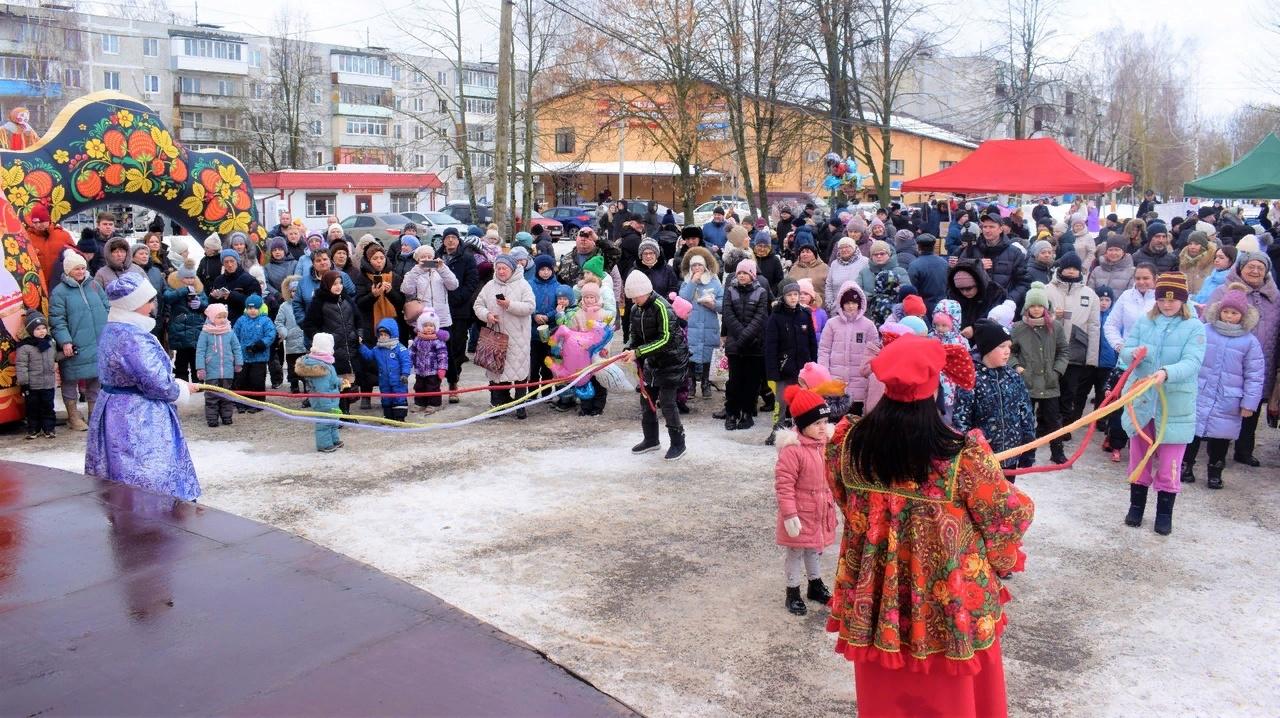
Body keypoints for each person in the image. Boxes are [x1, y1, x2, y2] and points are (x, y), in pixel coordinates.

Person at [828, 332, 1030, 717]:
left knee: (886, 698)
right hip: (948, 602)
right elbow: (1006, 516)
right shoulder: (963, 456)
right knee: (952, 700)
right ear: (935, 389)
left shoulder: (847, 445)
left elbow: (847, 503)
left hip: (876, 598)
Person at [86, 273, 200, 501]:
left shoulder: (114, 329)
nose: (153, 305)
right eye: (148, 301)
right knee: (144, 467)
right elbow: (155, 381)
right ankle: (151, 514)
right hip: (137, 414)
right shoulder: (133, 337)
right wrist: (179, 389)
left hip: (115, 408)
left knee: (120, 464)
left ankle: (128, 508)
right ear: (134, 305)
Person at [1120, 272, 1205, 536]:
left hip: (1174, 405)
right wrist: (1131, 353)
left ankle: (1164, 512)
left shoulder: (1194, 328)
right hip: (1143, 401)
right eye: (1162, 299)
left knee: (1169, 462)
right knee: (1139, 457)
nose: (1167, 305)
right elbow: (1126, 348)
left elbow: (1193, 362)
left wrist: (1167, 372)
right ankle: (1136, 506)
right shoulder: (1146, 321)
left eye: (1173, 300)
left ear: (1183, 299)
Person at [1184, 285, 1264, 489]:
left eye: (1234, 313)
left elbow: (1254, 374)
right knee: (1190, 431)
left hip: (1228, 398)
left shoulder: (1249, 341)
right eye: (1226, 311)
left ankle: (1215, 471)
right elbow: (1190, 357)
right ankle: (1185, 466)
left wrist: (1249, 403)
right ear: (1219, 311)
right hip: (1199, 391)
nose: (1229, 316)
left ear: (1243, 316)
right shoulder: (1204, 331)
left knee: (1221, 437)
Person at [1205, 250, 1278, 467]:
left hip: (1263, 358)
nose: (1255, 271)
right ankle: (1216, 448)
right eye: (1250, 266)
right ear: (1240, 268)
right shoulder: (1223, 291)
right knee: (1224, 401)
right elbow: (1208, 319)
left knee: (1252, 401)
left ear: (1266, 272)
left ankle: (1244, 449)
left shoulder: (1275, 297)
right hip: (1227, 358)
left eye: (1260, 268)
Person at [773, 385, 836, 616]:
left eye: (825, 422)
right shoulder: (793, 451)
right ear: (802, 425)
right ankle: (792, 591)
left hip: (820, 511)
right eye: (817, 423)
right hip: (799, 514)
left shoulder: (825, 446)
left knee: (814, 550)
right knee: (796, 552)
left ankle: (815, 584)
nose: (823, 427)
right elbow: (784, 485)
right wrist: (789, 514)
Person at [954, 319, 1037, 474]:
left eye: (1009, 347)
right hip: (981, 459)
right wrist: (963, 452)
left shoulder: (1013, 377)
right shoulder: (971, 379)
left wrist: (1028, 447)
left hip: (1010, 456)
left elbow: (1026, 414)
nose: (1007, 351)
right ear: (987, 348)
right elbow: (961, 420)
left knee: (1007, 497)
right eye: (1002, 346)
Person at [621, 271, 689, 460]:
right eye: (631, 297)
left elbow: (666, 339)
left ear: (646, 291)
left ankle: (678, 443)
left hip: (671, 362)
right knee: (646, 401)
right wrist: (629, 349)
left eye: (636, 296)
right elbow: (634, 335)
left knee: (667, 403)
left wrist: (639, 352)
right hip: (651, 362)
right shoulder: (636, 309)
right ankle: (651, 439)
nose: (634, 301)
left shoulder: (662, 307)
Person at [1010, 283, 1069, 466]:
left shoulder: (1056, 327)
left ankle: (1057, 453)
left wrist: (1057, 371)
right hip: (1027, 381)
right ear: (1027, 307)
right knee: (1026, 420)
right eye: (1032, 306)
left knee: (1053, 420)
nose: (1036, 309)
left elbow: (1063, 351)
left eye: (1039, 306)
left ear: (1046, 307)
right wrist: (1018, 368)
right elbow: (1010, 352)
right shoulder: (1019, 327)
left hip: (1049, 382)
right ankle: (1027, 455)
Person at [474, 254, 535, 418]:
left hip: (518, 337)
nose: (501, 271)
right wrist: (487, 315)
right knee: (496, 371)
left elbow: (530, 306)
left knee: (519, 372)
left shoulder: (523, 285)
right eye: (498, 268)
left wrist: (510, 305)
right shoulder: (489, 286)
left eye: (504, 268)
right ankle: (497, 403)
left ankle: (520, 404)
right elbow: (478, 305)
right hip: (496, 335)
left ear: (512, 269)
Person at [1046, 253, 1100, 430]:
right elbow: (1034, 315)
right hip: (1051, 349)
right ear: (1060, 268)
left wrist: (1092, 359)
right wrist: (1053, 316)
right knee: (1050, 389)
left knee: (1070, 391)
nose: (1071, 271)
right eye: (1068, 267)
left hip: (1076, 350)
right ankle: (1047, 425)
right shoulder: (1047, 290)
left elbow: (1094, 326)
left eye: (1075, 268)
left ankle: (1064, 427)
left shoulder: (1090, 294)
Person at [764, 280, 818, 445]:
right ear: (783, 297)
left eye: (796, 294)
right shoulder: (776, 317)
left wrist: (813, 364)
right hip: (783, 369)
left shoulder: (805, 314)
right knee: (780, 402)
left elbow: (811, 342)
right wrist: (773, 371)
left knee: (801, 401)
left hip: (802, 369)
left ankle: (801, 429)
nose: (794, 298)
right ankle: (777, 429)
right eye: (790, 295)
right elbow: (770, 346)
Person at [302, 271, 362, 416]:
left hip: (350, 348)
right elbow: (309, 325)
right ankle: (338, 413)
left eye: (340, 283)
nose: (338, 286)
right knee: (335, 383)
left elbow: (358, 319)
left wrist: (359, 334)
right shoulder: (318, 302)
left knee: (348, 382)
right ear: (327, 285)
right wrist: (322, 340)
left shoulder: (347, 299)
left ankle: (346, 413)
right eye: (334, 284)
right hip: (331, 351)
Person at [818, 281, 878, 417]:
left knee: (855, 422)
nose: (851, 306)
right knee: (835, 423)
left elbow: (874, 354)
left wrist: (868, 375)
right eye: (847, 303)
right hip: (835, 382)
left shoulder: (869, 326)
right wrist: (824, 373)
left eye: (854, 302)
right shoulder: (831, 324)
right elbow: (824, 350)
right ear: (841, 304)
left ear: (860, 303)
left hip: (860, 384)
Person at [678, 246, 723, 399]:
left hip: (709, 325)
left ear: (705, 266)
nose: (697, 268)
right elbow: (683, 299)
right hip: (692, 325)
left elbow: (723, 303)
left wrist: (713, 305)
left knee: (708, 355)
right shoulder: (686, 281)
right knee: (690, 354)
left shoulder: (714, 281)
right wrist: (692, 283)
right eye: (694, 265)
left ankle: (706, 383)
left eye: (699, 265)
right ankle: (690, 384)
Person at [958, 212, 1030, 305]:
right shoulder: (972, 249)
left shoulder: (1014, 252)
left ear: (1000, 229)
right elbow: (958, 269)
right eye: (984, 227)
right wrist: (975, 264)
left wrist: (1010, 301)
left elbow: (1023, 282)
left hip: (1001, 307)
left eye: (991, 227)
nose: (987, 230)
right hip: (974, 306)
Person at [295, 333, 345, 452]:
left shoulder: (326, 363)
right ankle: (324, 444)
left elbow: (331, 379)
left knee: (333, 421)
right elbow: (322, 389)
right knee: (324, 423)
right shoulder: (319, 368)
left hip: (331, 399)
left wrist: (339, 381)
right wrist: (326, 404)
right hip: (324, 401)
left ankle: (333, 440)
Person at [196, 304, 242, 427]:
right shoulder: (205, 333)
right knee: (211, 396)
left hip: (227, 371)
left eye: (224, 317)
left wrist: (238, 362)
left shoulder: (229, 332)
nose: (222, 320)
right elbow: (200, 351)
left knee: (227, 395)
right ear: (211, 317)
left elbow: (236, 347)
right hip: (211, 372)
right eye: (218, 317)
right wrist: (200, 368)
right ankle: (212, 419)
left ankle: (227, 417)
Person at [163, 260, 208, 383]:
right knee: (181, 358)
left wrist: (200, 305)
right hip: (180, 328)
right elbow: (167, 297)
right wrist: (184, 290)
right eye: (186, 278)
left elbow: (206, 304)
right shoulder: (173, 287)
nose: (190, 280)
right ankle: (181, 382)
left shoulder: (199, 288)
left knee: (196, 358)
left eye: (192, 278)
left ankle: (198, 381)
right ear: (181, 278)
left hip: (196, 327)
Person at [358, 318, 412, 421]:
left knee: (399, 397)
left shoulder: (400, 348)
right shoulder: (377, 349)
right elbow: (368, 356)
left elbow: (406, 362)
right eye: (381, 335)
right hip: (384, 380)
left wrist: (405, 374)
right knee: (386, 398)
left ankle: (400, 417)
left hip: (399, 380)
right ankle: (388, 416)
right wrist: (361, 346)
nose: (383, 337)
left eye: (385, 335)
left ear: (392, 334)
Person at [231, 294, 275, 414]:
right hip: (243, 357)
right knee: (241, 380)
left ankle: (258, 403)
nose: (252, 311)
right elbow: (235, 335)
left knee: (257, 381)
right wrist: (236, 350)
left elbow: (271, 335)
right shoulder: (241, 320)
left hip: (259, 357)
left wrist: (260, 345)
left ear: (260, 308)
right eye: (249, 308)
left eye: (255, 308)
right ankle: (241, 402)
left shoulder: (265, 320)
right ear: (246, 308)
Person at [17, 313, 57, 439]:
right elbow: (21, 366)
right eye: (38, 329)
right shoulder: (25, 347)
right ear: (30, 330)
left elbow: (55, 357)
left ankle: (49, 429)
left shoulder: (50, 343)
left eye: (43, 328)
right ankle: (33, 429)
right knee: (33, 408)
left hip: (48, 383)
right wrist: (24, 384)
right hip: (33, 385)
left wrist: (69, 353)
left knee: (48, 407)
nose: (42, 331)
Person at [947, 261, 1007, 339]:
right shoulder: (955, 294)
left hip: (987, 340)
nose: (964, 292)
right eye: (961, 289)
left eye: (969, 288)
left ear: (978, 283)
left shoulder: (995, 292)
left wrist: (975, 328)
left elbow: (995, 319)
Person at [409, 310, 450, 415]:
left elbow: (443, 356)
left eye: (431, 326)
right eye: (426, 326)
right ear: (421, 327)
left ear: (435, 327)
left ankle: (434, 404)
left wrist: (442, 368)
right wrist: (409, 362)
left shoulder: (438, 341)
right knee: (419, 386)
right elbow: (412, 352)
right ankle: (420, 402)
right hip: (420, 370)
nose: (429, 328)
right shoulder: (418, 339)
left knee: (433, 387)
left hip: (433, 370)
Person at [276, 276, 307, 398]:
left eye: (297, 290)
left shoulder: (306, 304)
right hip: (291, 343)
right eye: (293, 291)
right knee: (292, 366)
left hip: (305, 342)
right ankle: (294, 385)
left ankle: (306, 385)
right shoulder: (284, 306)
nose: (295, 293)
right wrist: (284, 332)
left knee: (305, 366)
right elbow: (279, 322)